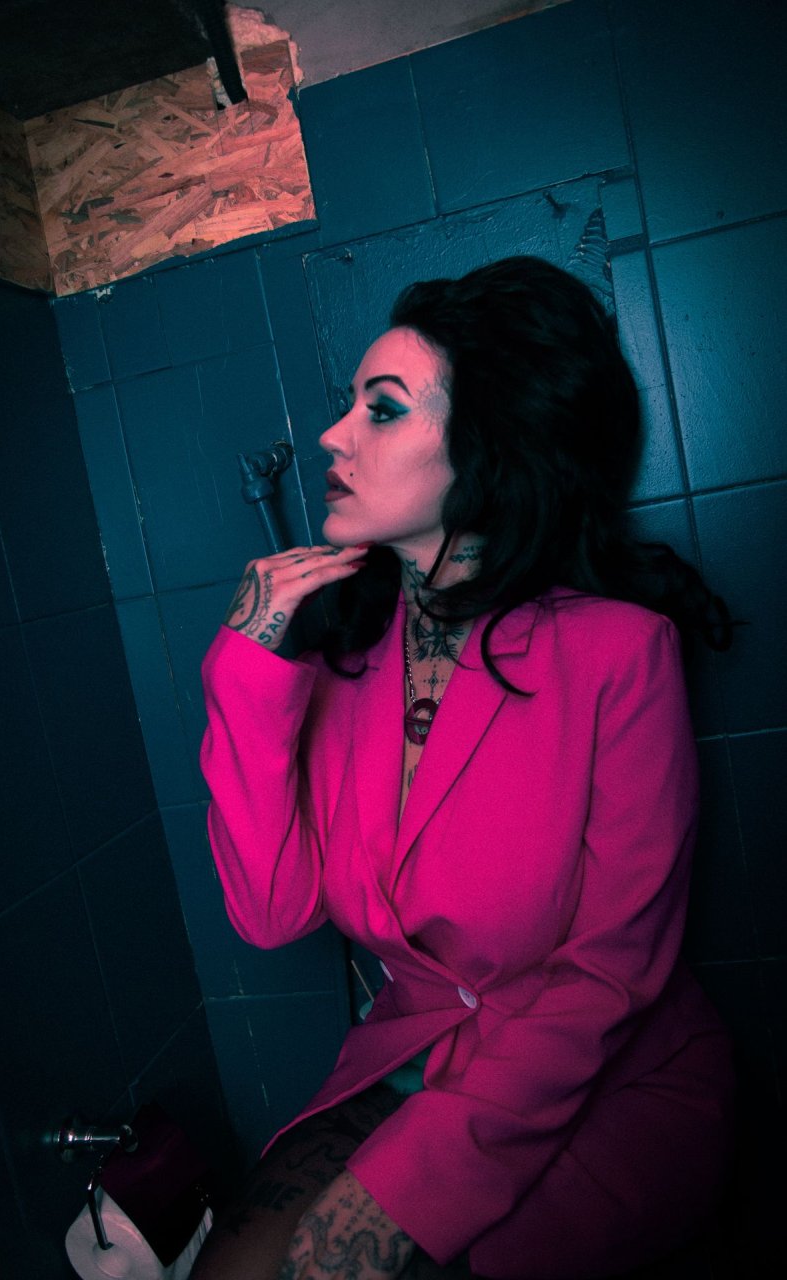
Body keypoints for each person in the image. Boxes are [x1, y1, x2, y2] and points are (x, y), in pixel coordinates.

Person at [194, 257, 735, 1280]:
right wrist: (245, 660)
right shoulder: (343, 666)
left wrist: (390, 1204)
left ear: (486, 446)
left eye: (381, 409)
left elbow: (607, 975)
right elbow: (270, 913)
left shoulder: (618, 652)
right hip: (414, 1055)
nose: (332, 436)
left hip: (603, 1078)